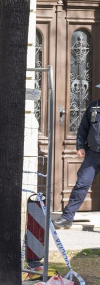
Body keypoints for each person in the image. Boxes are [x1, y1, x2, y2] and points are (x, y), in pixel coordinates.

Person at [54, 94, 100, 229]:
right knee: (81, 184)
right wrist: (80, 146)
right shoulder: (94, 106)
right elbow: (83, 128)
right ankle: (67, 217)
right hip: (93, 154)